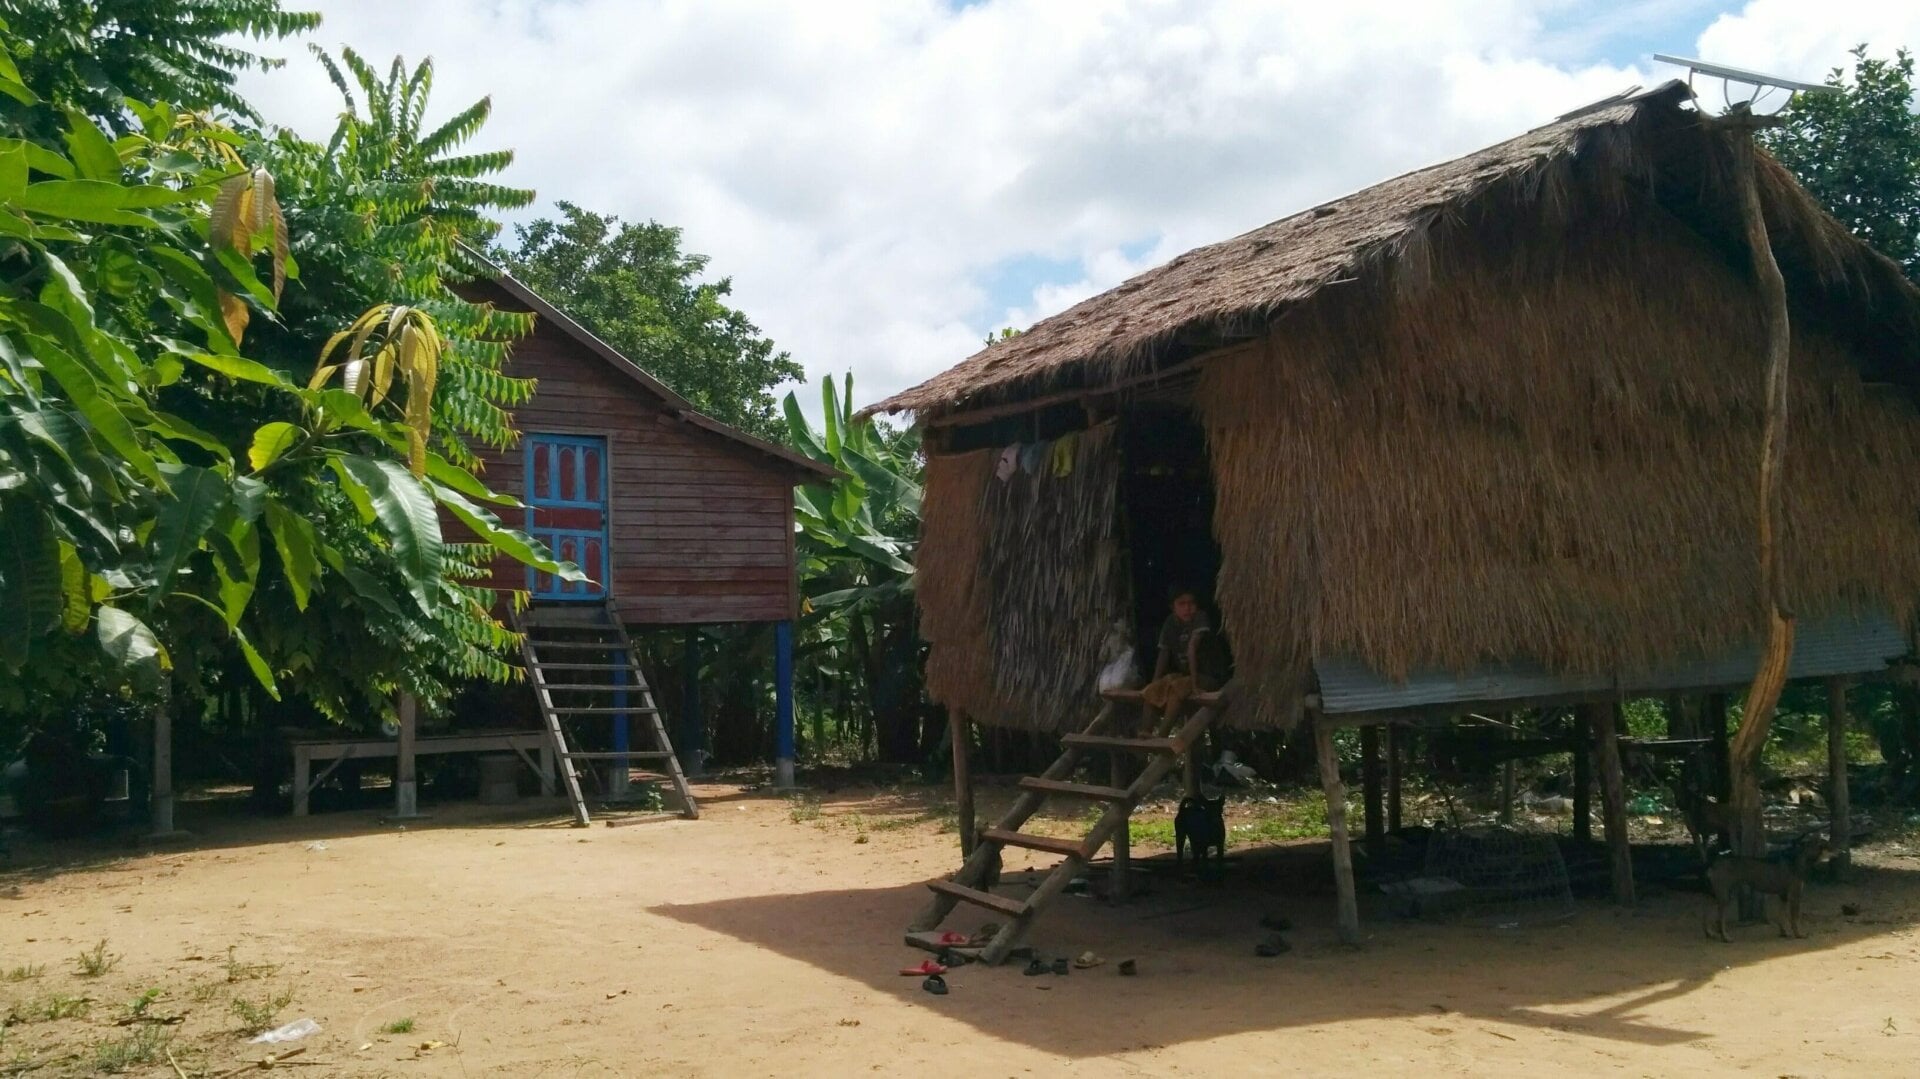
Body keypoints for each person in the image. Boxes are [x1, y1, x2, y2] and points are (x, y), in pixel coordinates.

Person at [1142, 587, 1212, 727]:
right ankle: (1145, 733)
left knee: (1177, 688)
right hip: (1185, 676)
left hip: (1208, 676)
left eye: (1191, 603)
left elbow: (1191, 649)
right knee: (1153, 689)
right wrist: (1155, 681)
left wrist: (1194, 684)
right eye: (1181, 604)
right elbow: (1164, 653)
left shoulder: (1200, 618)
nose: (1187, 608)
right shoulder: (1170, 622)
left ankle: (1162, 736)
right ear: (1173, 607)